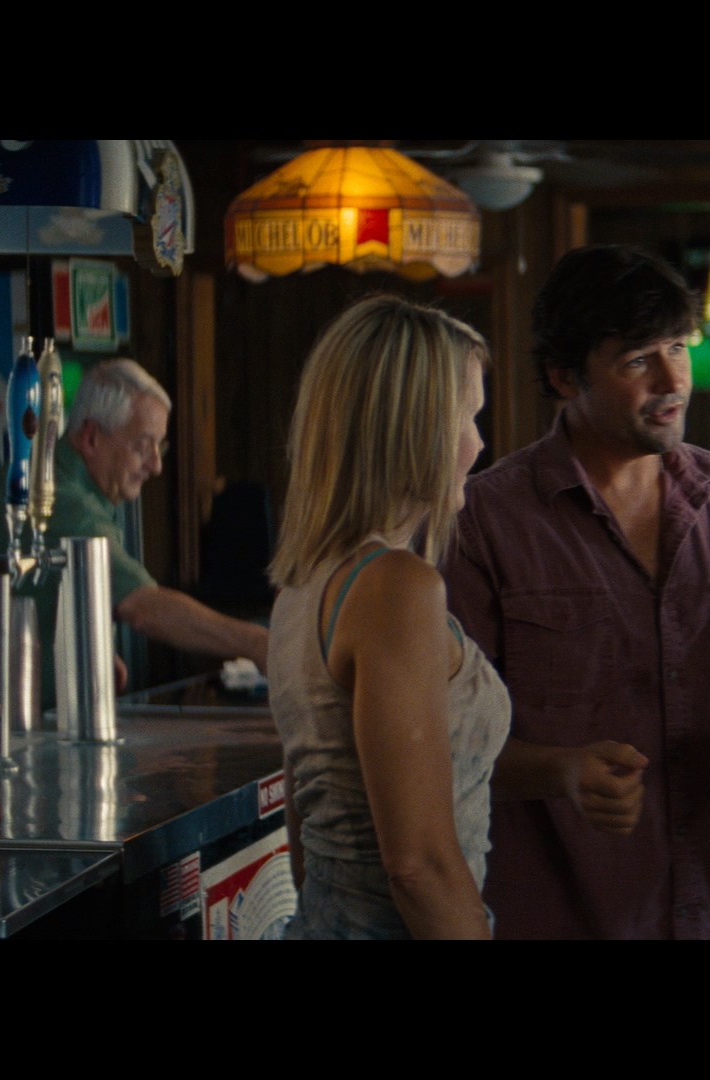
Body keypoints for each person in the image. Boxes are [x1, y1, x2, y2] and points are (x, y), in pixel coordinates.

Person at [443, 245, 710, 939]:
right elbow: (443, 742)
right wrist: (559, 772)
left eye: (679, 348)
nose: (673, 379)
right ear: (563, 376)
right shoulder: (485, 523)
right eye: (637, 361)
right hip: (567, 914)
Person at [266, 295, 510, 940]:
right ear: (415, 426)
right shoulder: (396, 588)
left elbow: (306, 825)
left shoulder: (304, 582)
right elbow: (420, 866)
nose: (480, 442)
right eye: (469, 416)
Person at [0, 360, 268, 703]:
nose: (156, 466)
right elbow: (143, 608)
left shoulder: (43, 471)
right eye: (142, 446)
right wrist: (258, 642)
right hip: (8, 721)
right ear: (91, 438)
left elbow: (38, 591)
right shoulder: (61, 500)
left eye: (159, 447)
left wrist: (89, 647)